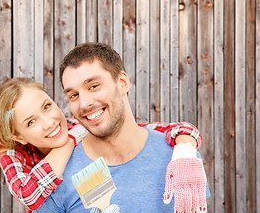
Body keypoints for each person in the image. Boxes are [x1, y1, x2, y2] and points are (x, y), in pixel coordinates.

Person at [33, 42, 209, 213]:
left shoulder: (180, 157)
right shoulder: (58, 176)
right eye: (73, 95)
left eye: (93, 86)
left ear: (122, 82)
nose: (84, 103)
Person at [0, 80, 204, 212]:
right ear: (19, 137)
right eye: (31, 122)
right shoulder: (12, 154)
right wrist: (68, 143)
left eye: (47, 106)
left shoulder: (78, 126)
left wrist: (185, 147)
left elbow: (153, 130)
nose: (49, 122)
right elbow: (28, 194)